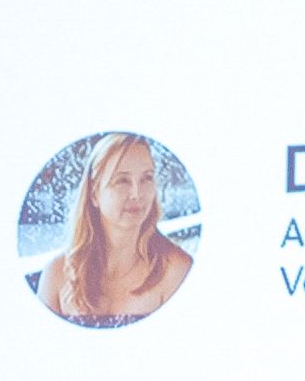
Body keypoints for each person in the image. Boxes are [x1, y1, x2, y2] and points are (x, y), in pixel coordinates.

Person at [37, 130, 196, 326]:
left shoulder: (177, 271)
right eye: (122, 180)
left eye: (147, 178)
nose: (137, 194)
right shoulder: (56, 275)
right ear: (94, 194)